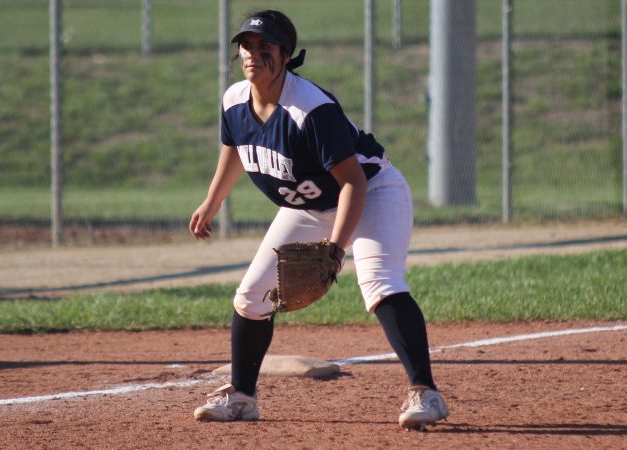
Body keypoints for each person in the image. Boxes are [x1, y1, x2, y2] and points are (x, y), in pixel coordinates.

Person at [189, 9, 448, 430]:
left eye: (265, 47)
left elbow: (352, 183)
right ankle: (242, 397)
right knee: (251, 296)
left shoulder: (311, 109)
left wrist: (335, 249)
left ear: (287, 56)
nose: (253, 55)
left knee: (379, 282)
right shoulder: (234, 100)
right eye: (246, 47)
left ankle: (426, 394)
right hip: (306, 206)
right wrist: (212, 200)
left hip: (372, 192)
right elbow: (234, 149)